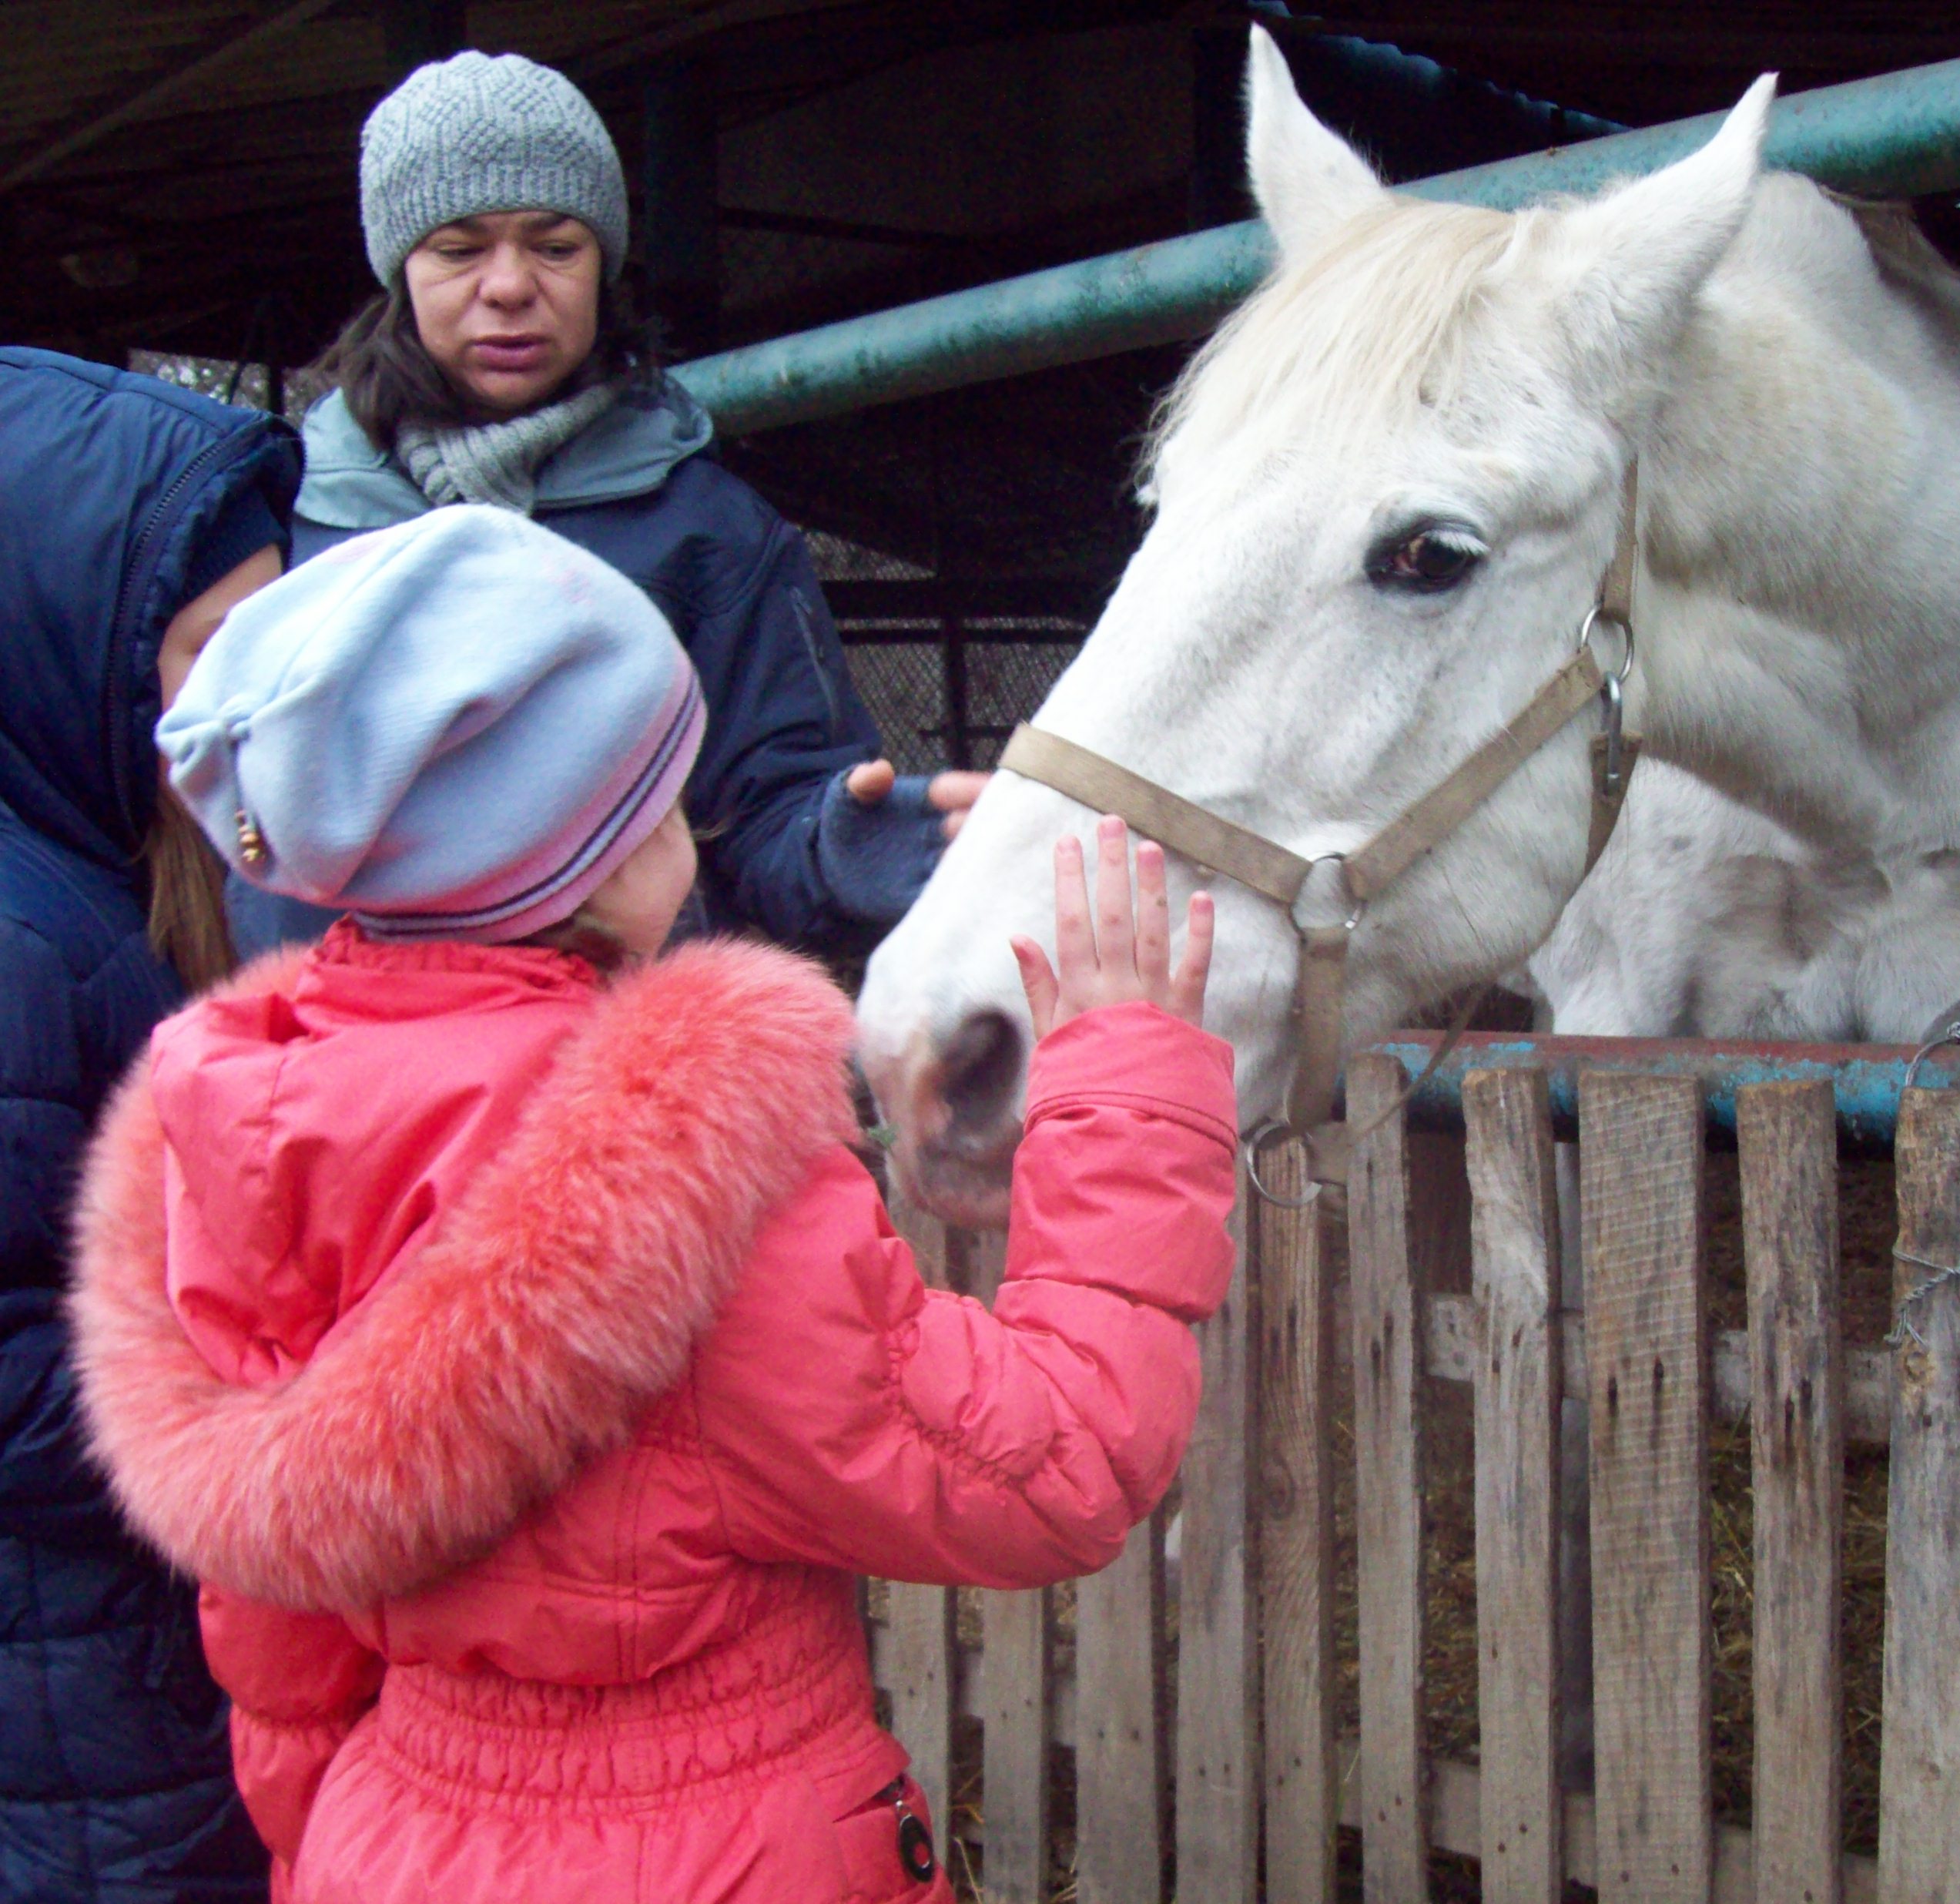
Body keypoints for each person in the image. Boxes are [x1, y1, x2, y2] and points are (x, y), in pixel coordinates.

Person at [71, 507, 1230, 1904]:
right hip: (722, 1852)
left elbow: (277, 1631)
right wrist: (1129, 1082)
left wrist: (339, 1845)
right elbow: (1053, 1467)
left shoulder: (242, 1135)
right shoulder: (684, 1182)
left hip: (383, 1839)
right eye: (669, 801)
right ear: (608, 856)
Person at [233, 49, 984, 962]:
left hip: (609, 1036)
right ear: (399, 270)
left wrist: (843, 846)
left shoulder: (710, 528)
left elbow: (771, 813)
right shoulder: (282, 515)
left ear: (604, 265)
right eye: (459, 250)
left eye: (556, 246)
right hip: (330, 1032)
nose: (509, 286)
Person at [0, 346, 298, 1900]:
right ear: (69, 642)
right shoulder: (20, 939)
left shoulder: (109, 858)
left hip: (128, 1669)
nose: (258, 695)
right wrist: (291, 1393)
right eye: (212, 649)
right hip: (71, 1720)